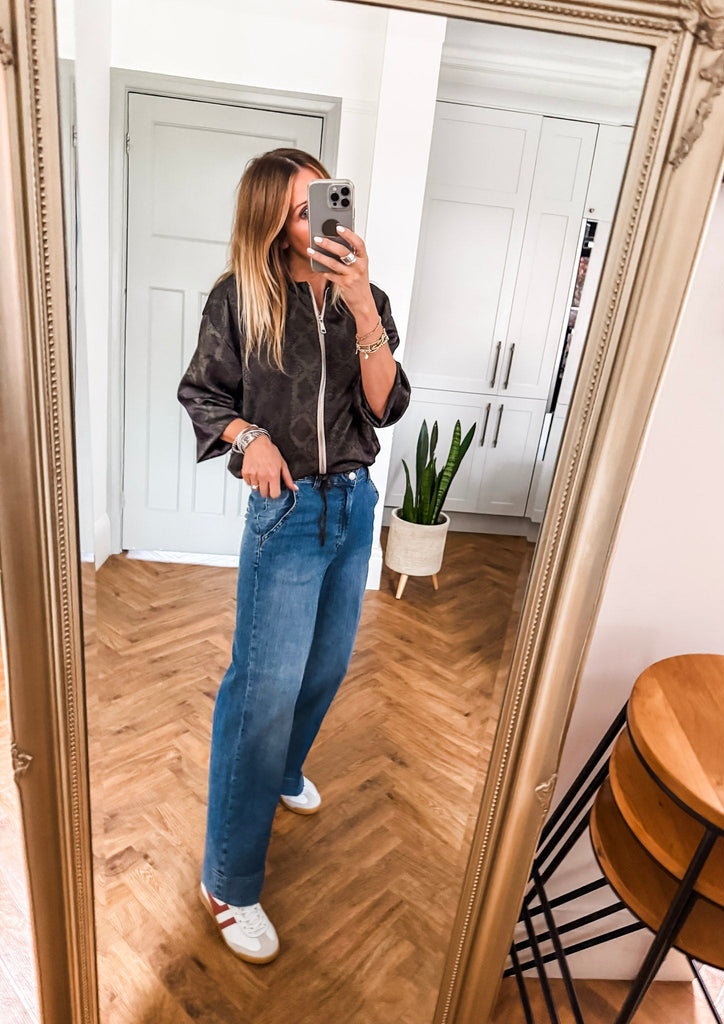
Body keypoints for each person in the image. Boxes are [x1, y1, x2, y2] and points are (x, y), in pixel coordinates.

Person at [177, 148, 410, 964]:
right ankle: (228, 881)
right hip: (286, 512)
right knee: (260, 694)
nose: (324, 217)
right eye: (306, 208)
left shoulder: (363, 297)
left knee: (326, 668)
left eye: (329, 199)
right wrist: (250, 439)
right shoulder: (239, 297)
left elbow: (385, 405)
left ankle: (280, 773)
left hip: (353, 503)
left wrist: (364, 307)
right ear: (275, 225)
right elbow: (203, 395)